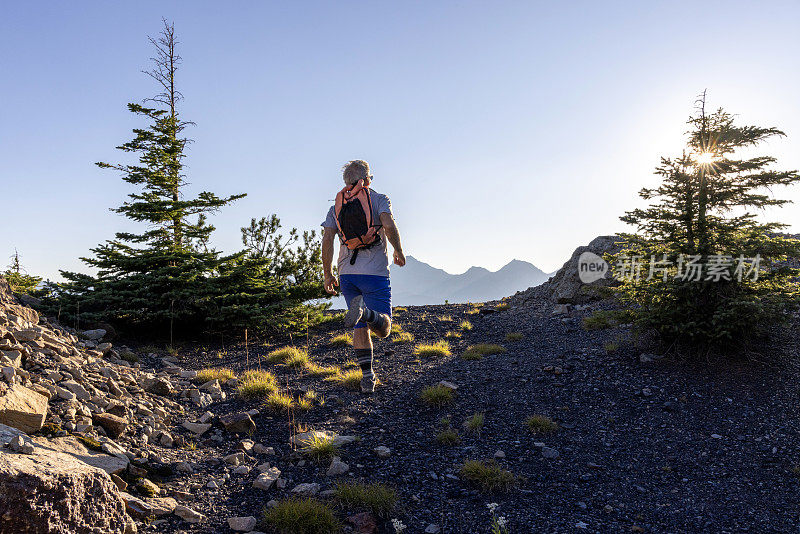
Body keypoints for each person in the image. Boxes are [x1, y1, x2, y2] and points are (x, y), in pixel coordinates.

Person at [321, 159, 406, 394]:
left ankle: (367, 377)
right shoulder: (378, 198)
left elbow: (327, 239)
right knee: (383, 328)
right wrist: (398, 249)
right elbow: (388, 225)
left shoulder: (336, 206)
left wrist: (328, 274)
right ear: (366, 179)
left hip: (347, 274)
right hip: (375, 273)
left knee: (359, 325)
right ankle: (367, 312)